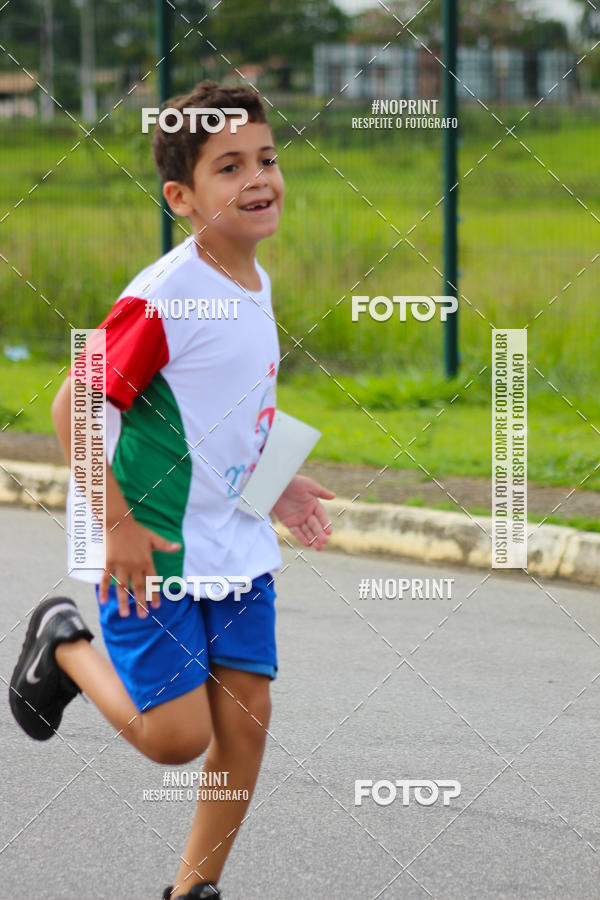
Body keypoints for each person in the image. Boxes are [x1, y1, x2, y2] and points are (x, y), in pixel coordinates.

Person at [9, 80, 335, 900]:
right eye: (229, 167)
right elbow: (75, 402)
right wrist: (115, 525)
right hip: (150, 543)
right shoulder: (163, 295)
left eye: (266, 158)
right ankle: (63, 644)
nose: (258, 178)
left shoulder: (253, 281)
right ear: (181, 198)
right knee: (175, 738)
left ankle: (194, 891)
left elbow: (224, 411)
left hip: (234, 542)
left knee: (246, 718)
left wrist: (277, 485)